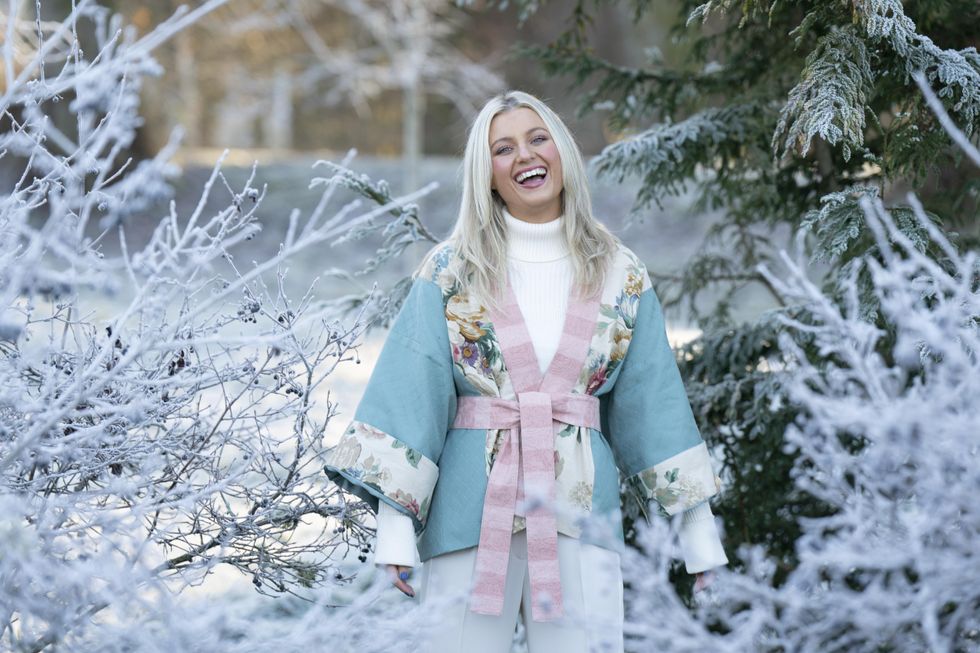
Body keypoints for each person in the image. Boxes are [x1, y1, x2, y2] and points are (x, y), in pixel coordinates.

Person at [323, 90, 728, 652]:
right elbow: (410, 391)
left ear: (561, 150)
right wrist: (394, 531)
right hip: (470, 509)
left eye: (538, 139)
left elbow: (652, 403)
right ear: (486, 174)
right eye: (503, 148)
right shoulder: (451, 268)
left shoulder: (620, 272)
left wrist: (699, 538)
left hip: (580, 509)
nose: (525, 157)